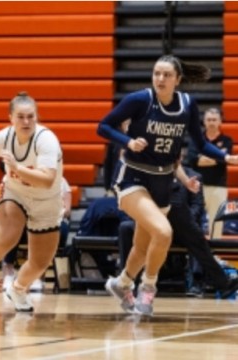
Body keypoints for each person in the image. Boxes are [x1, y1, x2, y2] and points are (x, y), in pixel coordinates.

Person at [97, 54, 238, 316]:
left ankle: (122, 282)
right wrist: (127, 142)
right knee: (163, 232)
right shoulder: (140, 100)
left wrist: (225, 157)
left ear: (178, 80)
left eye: (167, 75)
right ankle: (148, 290)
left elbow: (201, 143)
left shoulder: (187, 105)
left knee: (142, 246)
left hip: (162, 181)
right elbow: (103, 126)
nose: (160, 79)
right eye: (156, 74)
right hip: (132, 178)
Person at [0, 91, 63, 312]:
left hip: (46, 200)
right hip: (16, 193)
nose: (26, 122)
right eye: (21, 117)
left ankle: (18, 288)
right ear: (11, 118)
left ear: (37, 117)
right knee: (9, 235)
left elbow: (47, 180)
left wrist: (17, 168)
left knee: (40, 261)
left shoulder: (46, 140)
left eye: (31, 116)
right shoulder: (3, 138)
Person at [118, 164, 238, 299]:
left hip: (179, 224)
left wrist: (184, 222)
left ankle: (198, 284)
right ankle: (129, 283)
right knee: (127, 229)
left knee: (197, 238)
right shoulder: (150, 171)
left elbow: (197, 206)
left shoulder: (193, 175)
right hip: (159, 219)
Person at [0, 177, 72, 292]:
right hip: (27, 220)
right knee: (12, 227)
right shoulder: (22, 178)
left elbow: (67, 210)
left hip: (54, 220)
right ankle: (8, 273)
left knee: (48, 230)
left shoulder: (61, 180)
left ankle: (39, 277)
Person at [187, 108, 233, 239]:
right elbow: (192, 160)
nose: (211, 122)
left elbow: (222, 161)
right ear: (204, 122)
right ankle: (195, 254)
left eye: (214, 120)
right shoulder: (196, 139)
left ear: (220, 121)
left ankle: (215, 256)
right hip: (197, 186)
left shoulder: (226, 140)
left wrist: (202, 158)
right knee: (193, 220)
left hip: (218, 187)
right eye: (209, 120)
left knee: (217, 223)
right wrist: (215, 158)